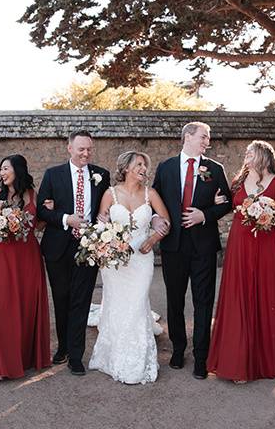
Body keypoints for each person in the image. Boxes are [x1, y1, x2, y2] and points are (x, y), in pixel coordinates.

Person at [206, 141, 275, 383]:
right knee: (239, 294)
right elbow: (227, 205)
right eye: (245, 153)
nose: (246, 156)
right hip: (240, 243)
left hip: (265, 244)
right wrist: (217, 204)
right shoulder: (237, 182)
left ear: (264, 156)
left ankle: (263, 361)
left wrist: (271, 215)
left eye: (251, 152)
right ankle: (237, 361)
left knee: (264, 294)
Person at [152, 122, 232, 379]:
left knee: (203, 301)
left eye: (208, 138)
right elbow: (154, 200)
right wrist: (156, 219)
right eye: (203, 137)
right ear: (187, 136)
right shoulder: (165, 167)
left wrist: (205, 215)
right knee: (175, 300)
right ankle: (178, 349)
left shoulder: (215, 169)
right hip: (173, 246)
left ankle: (201, 356)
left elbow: (228, 202)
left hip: (204, 246)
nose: (207, 141)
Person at [88, 151, 170, 384]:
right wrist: (105, 235)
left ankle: (136, 361)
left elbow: (166, 221)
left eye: (145, 164)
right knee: (117, 305)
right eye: (139, 164)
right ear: (125, 168)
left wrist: (152, 240)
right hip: (115, 262)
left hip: (141, 260)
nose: (144, 168)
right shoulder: (110, 193)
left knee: (136, 303)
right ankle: (114, 356)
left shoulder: (150, 194)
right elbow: (101, 222)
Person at [36, 130, 110, 376]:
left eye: (89, 149)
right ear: (69, 148)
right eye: (81, 149)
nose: (85, 153)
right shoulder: (53, 174)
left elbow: (106, 208)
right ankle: (64, 347)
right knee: (62, 298)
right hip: (58, 247)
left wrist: (104, 218)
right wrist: (66, 218)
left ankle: (76, 356)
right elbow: (41, 211)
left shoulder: (102, 175)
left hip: (89, 247)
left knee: (81, 301)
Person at [0, 155, 51, 380]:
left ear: (18, 170)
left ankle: (25, 357)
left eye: (6, 168)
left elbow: (38, 224)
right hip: (4, 255)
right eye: (0, 169)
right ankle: (1, 362)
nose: (2, 173)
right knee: (3, 305)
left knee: (27, 304)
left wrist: (47, 211)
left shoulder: (32, 195)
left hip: (28, 255)